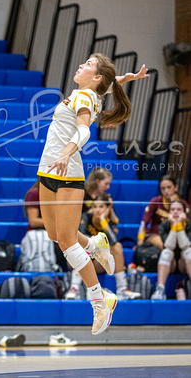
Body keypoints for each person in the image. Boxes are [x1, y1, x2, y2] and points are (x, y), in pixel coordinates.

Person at [37, 53, 149, 335]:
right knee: (54, 234)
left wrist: (66, 152)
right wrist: (128, 78)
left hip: (69, 176)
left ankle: (101, 301)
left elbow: (84, 131)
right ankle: (96, 245)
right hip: (46, 173)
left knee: (66, 242)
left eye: (87, 64)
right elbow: (109, 84)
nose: (80, 65)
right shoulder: (91, 93)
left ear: (96, 77)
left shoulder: (85, 98)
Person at [66, 194, 141, 301]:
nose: (97, 210)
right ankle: (74, 288)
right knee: (82, 245)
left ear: (108, 208)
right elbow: (79, 238)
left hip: (97, 262)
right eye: (95, 207)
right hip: (79, 260)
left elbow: (113, 241)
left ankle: (122, 289)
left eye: (101, 207)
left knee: (117, 246)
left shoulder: (110, 223)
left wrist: (102, 219)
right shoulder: (85, 217)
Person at [151, 200, 191, 300]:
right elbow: (169, 245)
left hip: (184, 264)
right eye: (172, 209)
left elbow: (185, 245)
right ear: (169, 213)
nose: (176, 212)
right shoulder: (163, 226)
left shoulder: (189, 226)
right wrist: (174, 226)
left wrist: (179, 226)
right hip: (170, 264)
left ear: (184, 212)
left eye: (179, 209)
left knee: (188, 252)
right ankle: (160, 290)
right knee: (166, 252)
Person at [137, 175, 189, 250]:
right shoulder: (155, 202)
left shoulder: (182, 204)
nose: (166, 191)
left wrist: (172, 203)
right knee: (164, 244)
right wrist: (140, 244)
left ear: (176, 187)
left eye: (169, 187)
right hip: (156, 235)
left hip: (177, 235)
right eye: (163, 188)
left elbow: (186, 224)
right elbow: (143, 223)